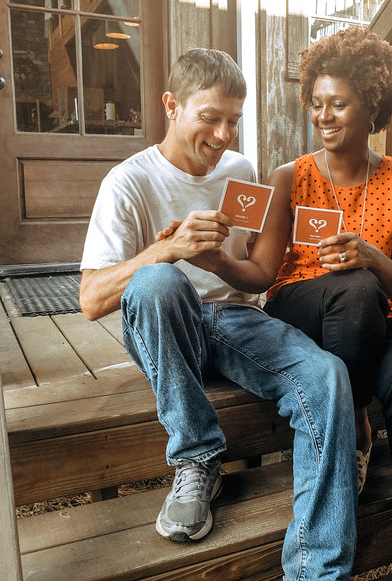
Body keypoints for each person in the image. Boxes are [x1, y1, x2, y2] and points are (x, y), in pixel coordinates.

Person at [79, 48, 358, 581]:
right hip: (165, 325)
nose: (225, 134)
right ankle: (198, 457)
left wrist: (215, 260)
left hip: (233, 321)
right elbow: (91, 300)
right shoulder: (127, 182)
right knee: (159, 282)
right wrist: (169, 251)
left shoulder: (240, 169)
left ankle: (318, 570)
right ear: (172, 106)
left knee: (328, 376)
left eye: (234, 120)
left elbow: (251, 272)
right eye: (211, 118)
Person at [259, 28, 392, 581]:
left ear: (373, 107)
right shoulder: (287, 178)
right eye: (316, 104)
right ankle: (355, 418)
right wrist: (214, 259)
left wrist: (368, 255)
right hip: (303, 308)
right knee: (355, 289)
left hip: (386, 314)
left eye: (338, 104)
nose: (324, 115)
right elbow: (263, 273)